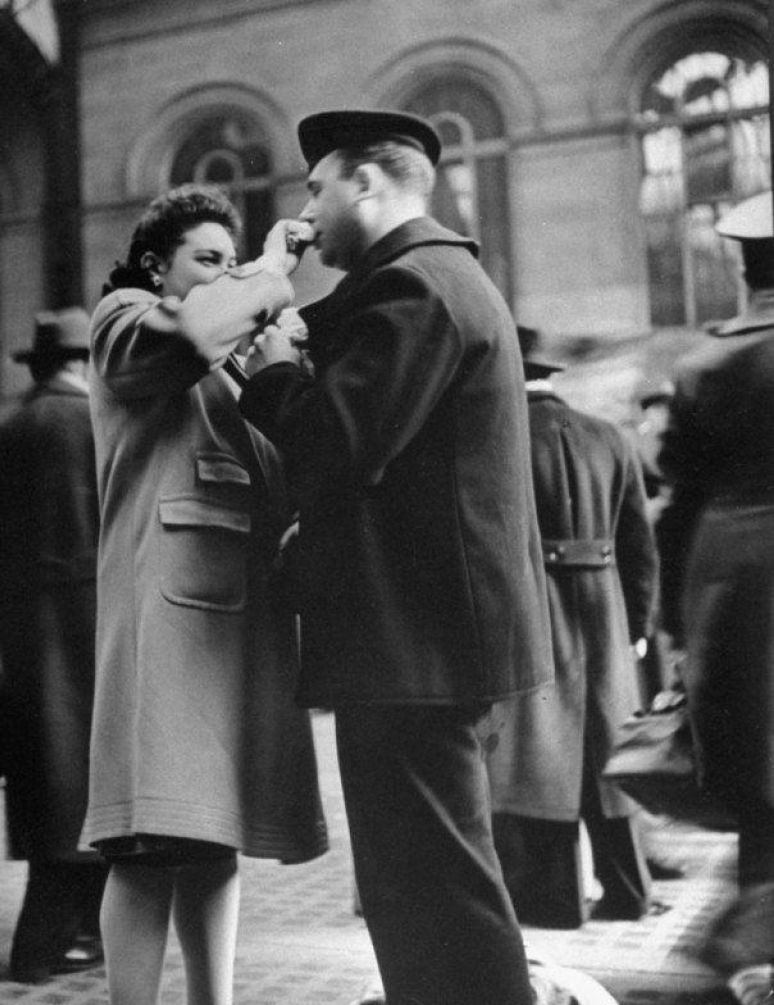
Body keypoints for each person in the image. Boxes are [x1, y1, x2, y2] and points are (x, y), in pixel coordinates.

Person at [236, 110, 554, 1005]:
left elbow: (331, 448)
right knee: (421, 882)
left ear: (367, 182)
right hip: (426, 638)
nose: (308, 210)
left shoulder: (413, 287)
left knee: (433, 888)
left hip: (416, 642)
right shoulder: (432, 278)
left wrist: (271, 366)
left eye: (317, 187)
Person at [82, 183, 328, 1005]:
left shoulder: (227, 365)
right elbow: (194, 331)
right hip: (167, 621)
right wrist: (265, 271)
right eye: (207, 260)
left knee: (211, 838)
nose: (226, 276)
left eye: (232, 260)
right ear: (157, 267)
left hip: (232, 625)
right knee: (148, 842)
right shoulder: (125, 320)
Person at [0, 309, 108, 981]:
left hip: (25, 639)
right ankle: (44, 947)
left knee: (50, 787)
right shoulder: (104, 425)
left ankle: (79, 935)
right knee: (100, 789)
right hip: (101, 629)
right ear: (81, 362)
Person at [488, 326, 658, 928]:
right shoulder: (610, 437)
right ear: (552, 374)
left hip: (536, 608)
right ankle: (628, 891)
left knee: (543, 756)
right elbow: (640, 544)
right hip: (606, 610)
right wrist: (638, 623)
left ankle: (555, 902)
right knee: (606, 753)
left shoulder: (498, 437)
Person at [658, 191, 774, 1005]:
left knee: (749, 763)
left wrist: (668, 619)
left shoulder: (704, 365)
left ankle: (756, 925)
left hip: (729, 585)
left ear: (740, 267)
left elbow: (677, 491)